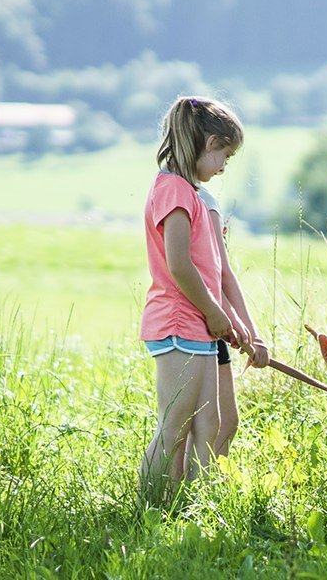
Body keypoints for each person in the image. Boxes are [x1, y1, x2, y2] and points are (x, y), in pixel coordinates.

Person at [136, 96, 245, 502]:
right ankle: (151, 511)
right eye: (224, 156)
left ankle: (194, 508)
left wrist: (217, 319)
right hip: (180, 323)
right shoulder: (173, 191)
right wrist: (216, 313)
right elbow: (179, 265)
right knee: (175, 426)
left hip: (196, 327)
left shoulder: (187, 192)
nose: (223, 167)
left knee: (209, 425)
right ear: (209, 141)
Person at [196, 185, 268, 462]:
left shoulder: (203, 199)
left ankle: (206, 491)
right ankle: (184, 495)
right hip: (199, 325)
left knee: (225, 422)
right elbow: (212, 277)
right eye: (224, 156)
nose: (224, 168)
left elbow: (219, 273)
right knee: (206, 425)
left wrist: (248, 332)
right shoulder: (203, 203)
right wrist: (241, 328)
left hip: (216, 324)